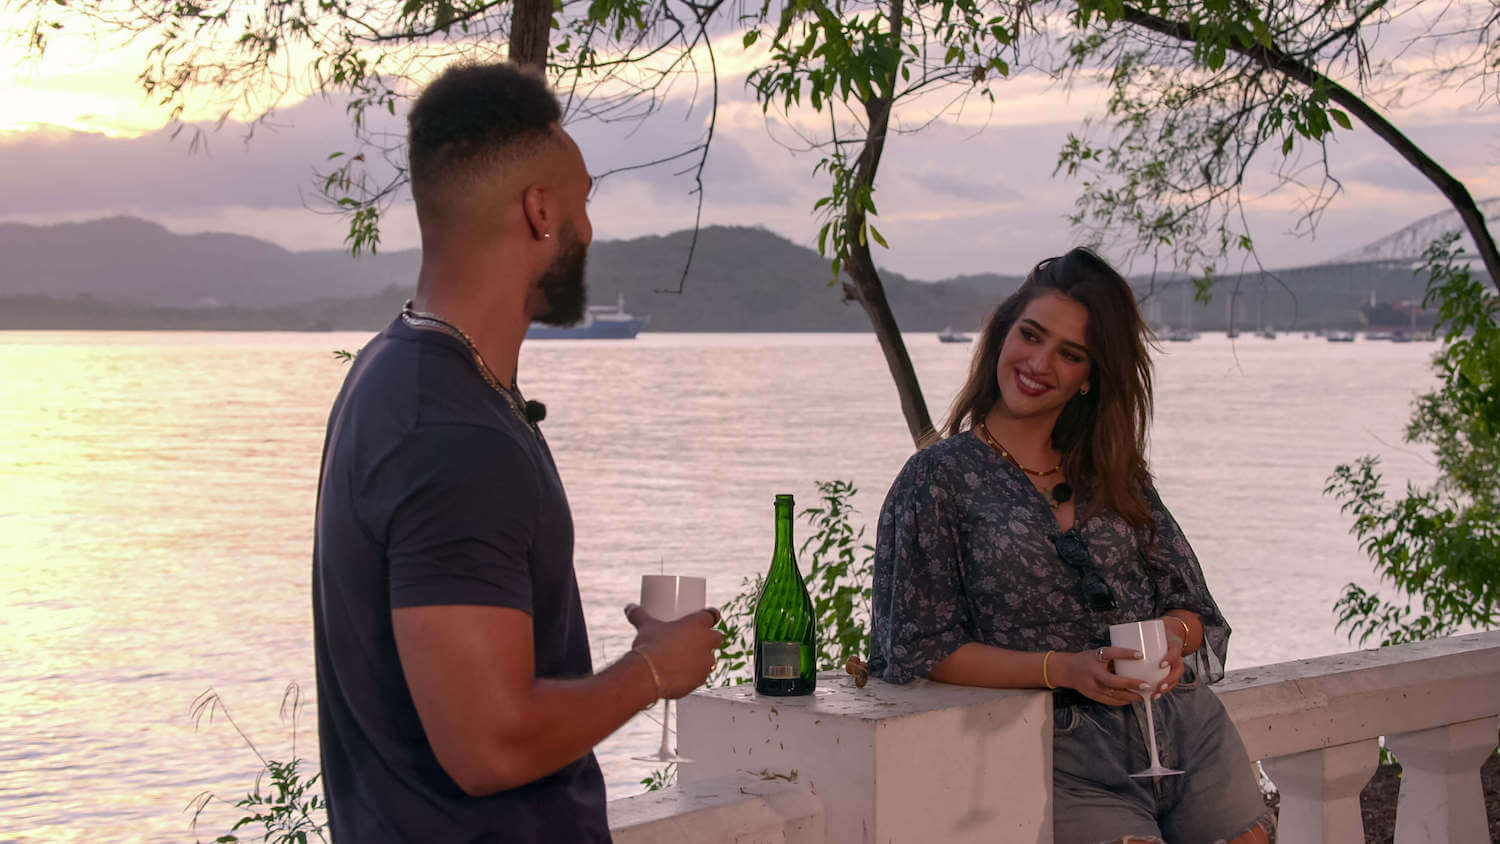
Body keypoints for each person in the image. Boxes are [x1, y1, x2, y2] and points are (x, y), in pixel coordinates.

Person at [311, 61, 722, 842]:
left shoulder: (396, 373)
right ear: (540, 211)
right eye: (583, 202)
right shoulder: (453, 436)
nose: (589, 230)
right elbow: (489, 747)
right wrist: (652, 672)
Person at [868, 248, 1273, 844]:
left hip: (1188, 727)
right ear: (1003, 334)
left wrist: (1170, 636)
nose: (1039, 363)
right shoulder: (938, 478)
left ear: (1089, 378)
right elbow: (921, 647)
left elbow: (1194, 611)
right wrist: (1062, 669)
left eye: (1070, 354)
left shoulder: (1114, 474)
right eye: (1031, 336)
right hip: (1063, 751)